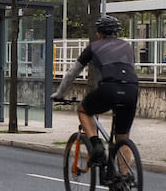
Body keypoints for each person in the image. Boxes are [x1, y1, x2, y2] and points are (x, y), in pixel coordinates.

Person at [51, 15, 139, 163]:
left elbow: (72, 73)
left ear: (98, 33)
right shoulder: (127, 47)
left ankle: (96, 144)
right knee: (122, 137)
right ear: (117, 33)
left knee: (83, 110)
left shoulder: (93, 47)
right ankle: (124, 180)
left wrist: (60, 94)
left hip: (109, 88)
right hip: (132, 90)